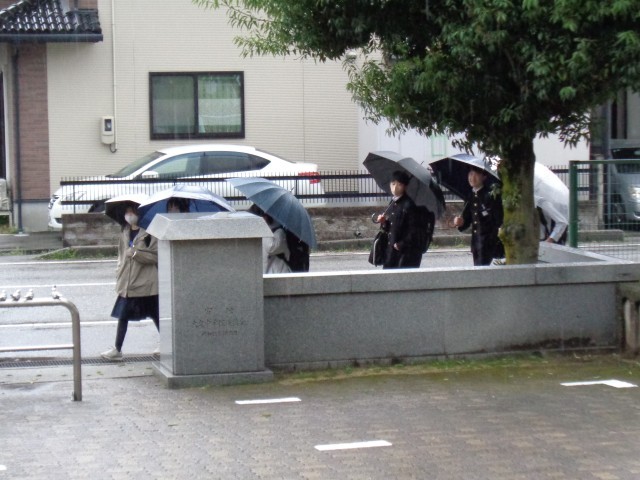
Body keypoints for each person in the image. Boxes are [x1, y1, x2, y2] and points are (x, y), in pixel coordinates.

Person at [101, 202, 159, 360]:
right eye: (127, 212)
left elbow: (155, 256)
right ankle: (117, 349)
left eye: (132, 211)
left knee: (156, 314)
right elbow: (121, 254)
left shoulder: (149, 233)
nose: (129, 215)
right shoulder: (125, 231)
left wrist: (135, 254)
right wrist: (119, 270)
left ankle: (168, 343)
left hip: (146, 283)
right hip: (127, 283)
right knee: (123, 315)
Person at [453, 166, 503, 266]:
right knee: (478, 269)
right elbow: (467, 219)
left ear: (484, 177)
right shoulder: (470, 196)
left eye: (476, 174)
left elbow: (498, 218)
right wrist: (460, 222)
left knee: (481, 270)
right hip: (476, 242)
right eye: (470, 174)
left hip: (489, 242)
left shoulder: (490, 195)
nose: (472, 177)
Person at [374, 170, 422, 269]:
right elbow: (390, 226)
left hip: (403, 254)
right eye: (393, 184)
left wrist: (401, 244)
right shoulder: (393, 202)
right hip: (390, 252)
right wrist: (384, 222)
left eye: (399, 184)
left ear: (405, 187)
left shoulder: (409, 205)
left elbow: (415, 230)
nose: (395, 187)